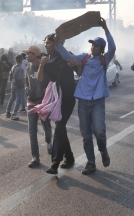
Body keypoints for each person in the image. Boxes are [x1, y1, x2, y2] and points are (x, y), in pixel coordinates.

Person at [53, 18, 116, 175]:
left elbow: (113, 47)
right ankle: (91, 162)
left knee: (99, 131)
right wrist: (58, 44)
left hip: (97, 101)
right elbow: (68, 57)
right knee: (86, 134)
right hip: (83, 100)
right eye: (92, 45)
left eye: (95, 45)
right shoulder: (84, 57)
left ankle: (103, 151)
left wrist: (106, 28)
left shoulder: (104, 59)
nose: (92, 47)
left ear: (101, 49)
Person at [39, 33, 78, 175]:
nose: (45, 45)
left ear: (56, 44)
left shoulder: (68, 56)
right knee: (60, 128)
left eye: (48, 43)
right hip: (56, 99)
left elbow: (80, 72)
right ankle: (69, 157)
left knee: (59, 127)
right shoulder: (45, 58)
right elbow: (40, 78)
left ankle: (55, 163)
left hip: (68, 97)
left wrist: (78, 63)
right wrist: (43, 64)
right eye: (45, 43)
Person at [24, 46, 52, 167]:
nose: (26, 56)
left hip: (43, 103)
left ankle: (49, 142)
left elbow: (52, 82)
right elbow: (26, 81)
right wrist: (27, 89)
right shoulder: (27, 68)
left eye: (28, 54)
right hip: (31, 102)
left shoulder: (45, 67)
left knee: (46, 126)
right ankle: (35, 157)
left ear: (35, 55)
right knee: (32, 131)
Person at [5, 55, 26, 121]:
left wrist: (12, 83)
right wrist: (23, 85)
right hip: (18, 86)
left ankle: (8, 112)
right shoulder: (20, 69)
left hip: (13, 84)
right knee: (18, 100)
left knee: (12, 98)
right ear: (21, 60)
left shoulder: (13, 67)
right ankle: (14, 114)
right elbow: (20, 79)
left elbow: (10, 77)